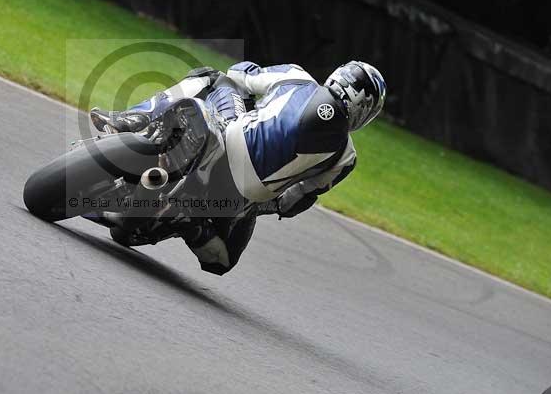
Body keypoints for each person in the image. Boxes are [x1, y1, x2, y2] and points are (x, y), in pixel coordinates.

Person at [90, 61, 386, 275]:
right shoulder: (345, 158)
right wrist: (257, 204)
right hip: (238, 197)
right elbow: (293, 202)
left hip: (226, 137)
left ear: (336, 75)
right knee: (222, 262)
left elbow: (238, 74)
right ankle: (190, 225)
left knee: (211, 77)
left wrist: (255, 98)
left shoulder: (296, 77)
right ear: (366, 111)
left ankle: (131, 119)